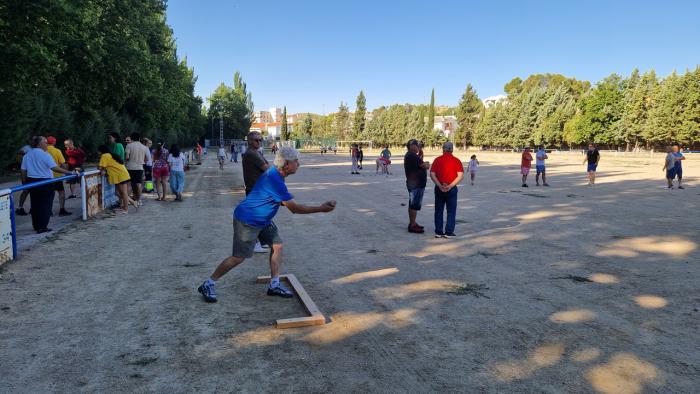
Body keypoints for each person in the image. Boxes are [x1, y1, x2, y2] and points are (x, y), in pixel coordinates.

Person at [197, 147, 336, 303]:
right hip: (248, 220)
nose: (299, 164)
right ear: (286, 164)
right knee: (238, 257)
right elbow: (295, 209)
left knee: (277, 245)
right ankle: (208, 283)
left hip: (262, 219)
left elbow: (272, 197)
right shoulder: (275, 179)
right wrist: (321, 208)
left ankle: (274, 285)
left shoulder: (276, 175)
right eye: (296, 161)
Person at [21, 136, 79, 233]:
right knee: (45, 205)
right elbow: (54, 168)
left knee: (35, 205)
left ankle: (36, 226)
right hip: (45, 182)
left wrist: (24, 184)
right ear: (39, 144)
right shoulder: (45, 155)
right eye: (45, 142)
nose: (47, 144)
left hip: (32, 182)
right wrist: (70, 172)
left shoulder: (27, 155)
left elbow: (23, 170)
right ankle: (42, 226)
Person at [243, 131, 271, 254]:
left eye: (260, 140)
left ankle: (257, 242)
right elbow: (267, 168)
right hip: (255, 190)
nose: (259, 142)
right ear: (249, 141)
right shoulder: (251, 154)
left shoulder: (255, 152)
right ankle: (254, 244)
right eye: (257, 140)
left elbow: (267, 165)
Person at [430, 142, 464, 238]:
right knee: (451, 211)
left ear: (443, 149)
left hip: (439, 188)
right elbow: (460, 176)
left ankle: (439, 231)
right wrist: (450, 186)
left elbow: (432, 174)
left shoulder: (437, 160)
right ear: (452, 149)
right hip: (452, 189)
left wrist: (440, 185)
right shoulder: (456, 160)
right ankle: (449, 232)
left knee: (438, 210)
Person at [98, 145, 135, 213]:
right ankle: (132, 202)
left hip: (120, 175)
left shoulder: (104, 156)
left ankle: (126, 209)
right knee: (117, 193)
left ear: (101, 151)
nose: (98, 153)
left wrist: (102, 169)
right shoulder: (110, 155)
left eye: (98, 151)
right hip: (121, 174)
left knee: (123, 193)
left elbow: (100, 167)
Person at [404, 139, 430, 233]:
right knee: (414, 205)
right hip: (415, 184)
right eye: (417, 145)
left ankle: (413, 222)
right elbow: (425, 166)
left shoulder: (412, 155)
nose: (418, 147)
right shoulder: (412, 155)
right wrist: (427, 164)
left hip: (415, 183)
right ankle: (412, 225)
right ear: (412, 146)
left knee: (413, 204)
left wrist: (421, 155)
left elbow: (419, 163)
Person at [46, 136, 71, 216]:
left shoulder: (43, 151)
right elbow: (63, 164)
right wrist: (67, 172)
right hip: (57, 176)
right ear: (54, 142)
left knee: (49, 194)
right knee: (61, 192)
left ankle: (49, 210)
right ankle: (62, 209)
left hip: (46, 177)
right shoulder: (57, 151)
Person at [124, 132, 150, 206]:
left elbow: (127, 157)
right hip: (139, 168)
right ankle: (138, 200)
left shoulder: (129, 146)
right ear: (139, 138)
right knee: (138, 184)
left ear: (131, 138)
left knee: (128, 184)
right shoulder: (144, 147)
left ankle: (128, 200)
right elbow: (147, 159)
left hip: (130, 167)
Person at [14, 143, 32, 216]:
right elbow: (18, 155)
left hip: (32, 172)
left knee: (33, 191)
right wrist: (22, 163)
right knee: (26, 190)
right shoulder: (26, 148)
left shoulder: (38, 149)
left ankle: (32, 208)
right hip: (26, 171)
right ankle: (19, 208)